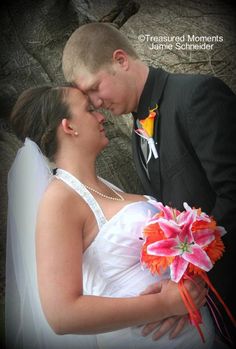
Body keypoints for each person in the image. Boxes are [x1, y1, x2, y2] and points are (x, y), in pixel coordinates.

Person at [61, 22, 236, 341]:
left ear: (121, 60)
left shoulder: (198, 95)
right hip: (213, 314)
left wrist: (190, 273)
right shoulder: (137, 133)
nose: (96, 103)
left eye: (95, 88)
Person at [6, 85, 215, 349]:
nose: (101, 116)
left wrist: (189, 289)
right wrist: (163, 305)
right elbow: (62, 314)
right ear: (69, 127)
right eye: (89, 110)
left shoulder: (106, 187)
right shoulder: (59, 200)